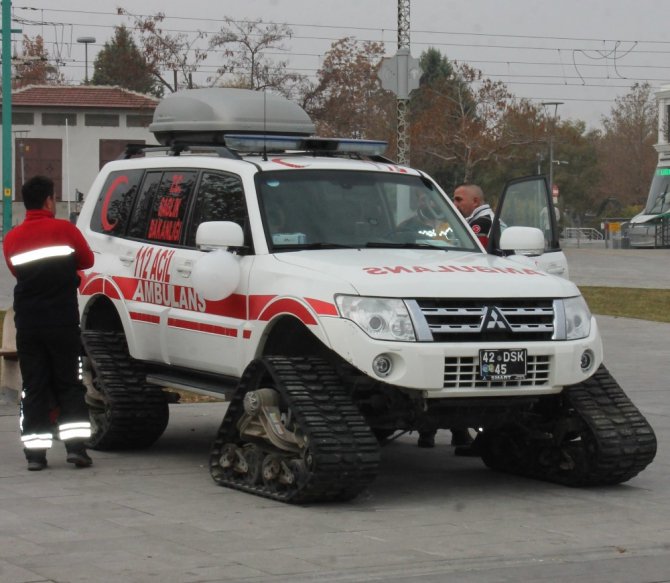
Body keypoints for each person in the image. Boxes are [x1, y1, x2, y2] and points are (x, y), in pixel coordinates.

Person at [2, 175, 95, 471]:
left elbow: (17, 272)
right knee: (69, 383)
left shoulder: (12, 238)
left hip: (28, 324)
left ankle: (35, 456)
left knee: (34, 386)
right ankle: (77, 450)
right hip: (62, 322)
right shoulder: (65, 230)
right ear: (49, 200)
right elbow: (88, 260)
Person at [417, 184, 493, 452]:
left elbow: (467, 255)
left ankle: (450, 433)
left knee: (463, 376)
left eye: (459, 199)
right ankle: (438, 433)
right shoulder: (461, 222)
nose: (454, 202)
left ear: (476, 200)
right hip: (460, 299)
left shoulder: (482, 223)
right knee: (453, 375)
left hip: (477, 300)